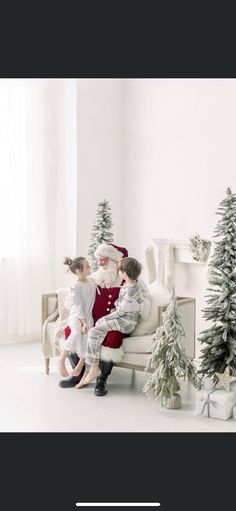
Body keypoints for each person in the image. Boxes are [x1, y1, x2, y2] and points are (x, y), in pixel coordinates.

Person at [59, 243, 152, 396]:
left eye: (104, 260)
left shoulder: (130, 280)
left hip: (119, 324)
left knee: (112, 337)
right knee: (70, 330)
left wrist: (136, 306)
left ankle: (101, 378)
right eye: (99, 260)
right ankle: (79, 374)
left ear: (115, 261)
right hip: (94, 321)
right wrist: (72, 300)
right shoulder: (95, 277)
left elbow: (145, 303)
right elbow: (77, 291)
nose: (100, 263)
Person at [76, 257, 145, 388]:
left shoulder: (131, 290)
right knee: (98, 332)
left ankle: (94, 368)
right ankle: (91, 368)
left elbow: (120, 311)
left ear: (124, 272)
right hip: (124, 319)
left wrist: (105, 318)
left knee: (94, 331)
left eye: (120, 270)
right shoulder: (132, 284)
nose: (119, 273)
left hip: (125, 322)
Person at [58, 256, 96, 378]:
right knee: (75, 334)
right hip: (77, 316)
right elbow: (78, 306)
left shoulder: (91, 283)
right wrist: (83, 322)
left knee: (87, 339)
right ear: (79, 271)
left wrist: (87, 322)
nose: (90, 267)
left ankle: (80, 364)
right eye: (87, 266)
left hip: (88, 316)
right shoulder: (76, 286)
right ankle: (61, 359)